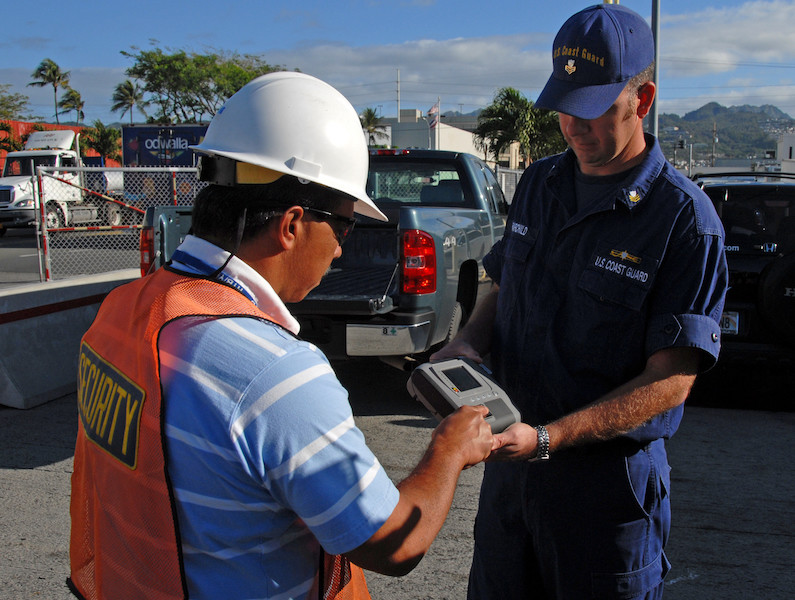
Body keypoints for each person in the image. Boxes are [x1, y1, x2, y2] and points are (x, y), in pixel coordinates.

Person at [68, 72, 494, 600]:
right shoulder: (273, 373)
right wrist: (449, 449)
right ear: (292, 224)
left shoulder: (121, 313)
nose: (340, 250)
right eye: (343, 228)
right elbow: (394, 546)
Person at [431, 4, 728, 599]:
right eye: (565, 104)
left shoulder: (684, 221)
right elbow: (505, 285)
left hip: (605, 500)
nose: (573, 124)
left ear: (642, 101)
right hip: (510, 492)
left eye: (593, 108)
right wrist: (468, 340)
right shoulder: (540, 184)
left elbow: (671, 380)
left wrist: (550, 438)